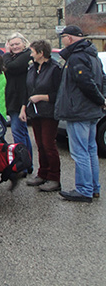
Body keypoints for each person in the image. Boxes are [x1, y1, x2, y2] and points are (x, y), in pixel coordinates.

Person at [55, 25, 106, 203]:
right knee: (91, 149)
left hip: (79, 111)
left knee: (80, 152)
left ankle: (84, 190)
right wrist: (101, 100)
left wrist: (100, 100)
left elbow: (86, 83)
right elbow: (102, 80)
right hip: (91, 111)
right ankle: (94, 188)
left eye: (63, 37)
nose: (62, 41)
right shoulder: (93, 55)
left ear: (69, 38)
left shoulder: (77, 57)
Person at [22, 40, 63, 192]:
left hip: (49, 112)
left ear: (40, 53)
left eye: (32, 52)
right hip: (35, 112)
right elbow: (27, 90)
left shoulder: (55, 69)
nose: (30, 54)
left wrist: (42, 97)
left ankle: (54, 177)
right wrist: (23, 108)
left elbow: (59, 93)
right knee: (40, 144)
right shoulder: (32, 68)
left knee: (48, 144)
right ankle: (42, 173)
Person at [3, 32, 34, 173]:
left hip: (20, 99)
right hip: (13, 99)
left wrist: (6, 55)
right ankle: (27, 164)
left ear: (24, 43)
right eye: (12, 44)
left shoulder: (25, 56)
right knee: (22, 132)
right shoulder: (15, 56)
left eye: (17, 44)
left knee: (18, 133)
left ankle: (24, 164)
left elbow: (12, 66)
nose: (15, 47)